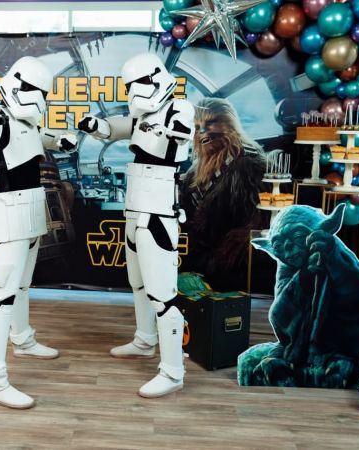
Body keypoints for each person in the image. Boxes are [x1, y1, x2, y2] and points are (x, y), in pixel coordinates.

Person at [78, 53, 195, 398]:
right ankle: (145, 340)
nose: (134, 92)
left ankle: (173, 371)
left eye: (139, 83)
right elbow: (115, 128)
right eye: (130, 86)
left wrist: (176, 131)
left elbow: (183, 129)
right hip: (135, 208)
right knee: (139, 283)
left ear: (157, 79)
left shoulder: (178, 108)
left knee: (162, 294)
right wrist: (95, 126)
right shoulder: (143, 116)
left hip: (158, 211)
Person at [0, 56, 76, 409]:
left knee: (23, 285)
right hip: (10, 213)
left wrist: (62, 141)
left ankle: (23, 339)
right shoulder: (0, 119)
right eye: (32, 89)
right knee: (1, 296)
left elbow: (41, 137)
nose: (37, 98)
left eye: (42, 92)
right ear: (15, 85)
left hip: (32, 208)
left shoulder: (26, 124)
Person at [180, 98, 267, 291]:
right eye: (197, 126)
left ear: (230, 123)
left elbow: (252, 228)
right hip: (204, 263)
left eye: (211, 123)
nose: (203, 131)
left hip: (231, 272)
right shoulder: (196, 168)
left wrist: (213, 262)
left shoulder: (248, 164)